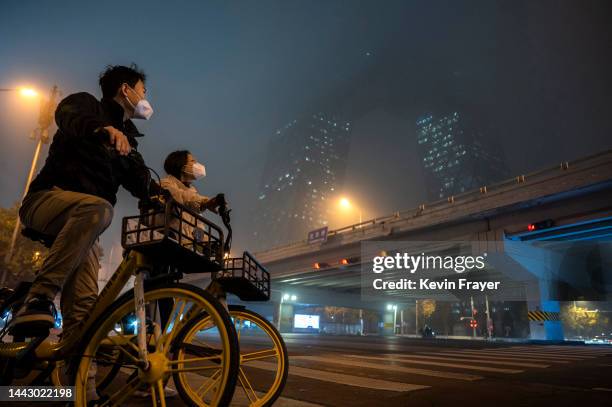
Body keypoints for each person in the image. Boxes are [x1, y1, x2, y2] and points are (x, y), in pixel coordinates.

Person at [10, 64, 160, 344]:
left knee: (84, 315)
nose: (146, 98)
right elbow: (68, 115)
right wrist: (103, 129)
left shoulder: (128, 140)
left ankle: (80, 384)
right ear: (125, 90)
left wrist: (164, 195)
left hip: (86, 226)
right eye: (143, 91)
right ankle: (39, 298)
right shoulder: (87, 106)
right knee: (99, 207)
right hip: (46, 201)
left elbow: (141, 183)